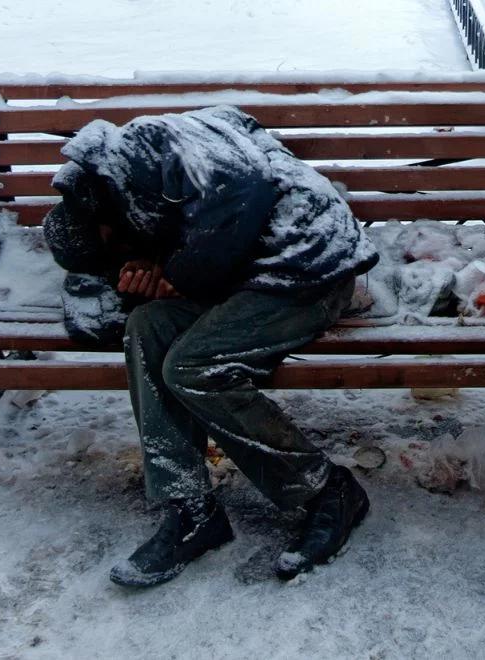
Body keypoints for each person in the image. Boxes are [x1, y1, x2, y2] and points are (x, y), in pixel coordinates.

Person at [42, 106, 379, 587]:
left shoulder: (143, 147)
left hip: (307, 268)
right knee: (147, 327)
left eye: (110, 249)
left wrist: (177, 275)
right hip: (249, 274)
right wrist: (148, 279)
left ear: (102, 220)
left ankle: (325, 491)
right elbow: (189, 228)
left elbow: (242, 186)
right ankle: (190, 508)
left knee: (194, 366)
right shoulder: (124, 188)